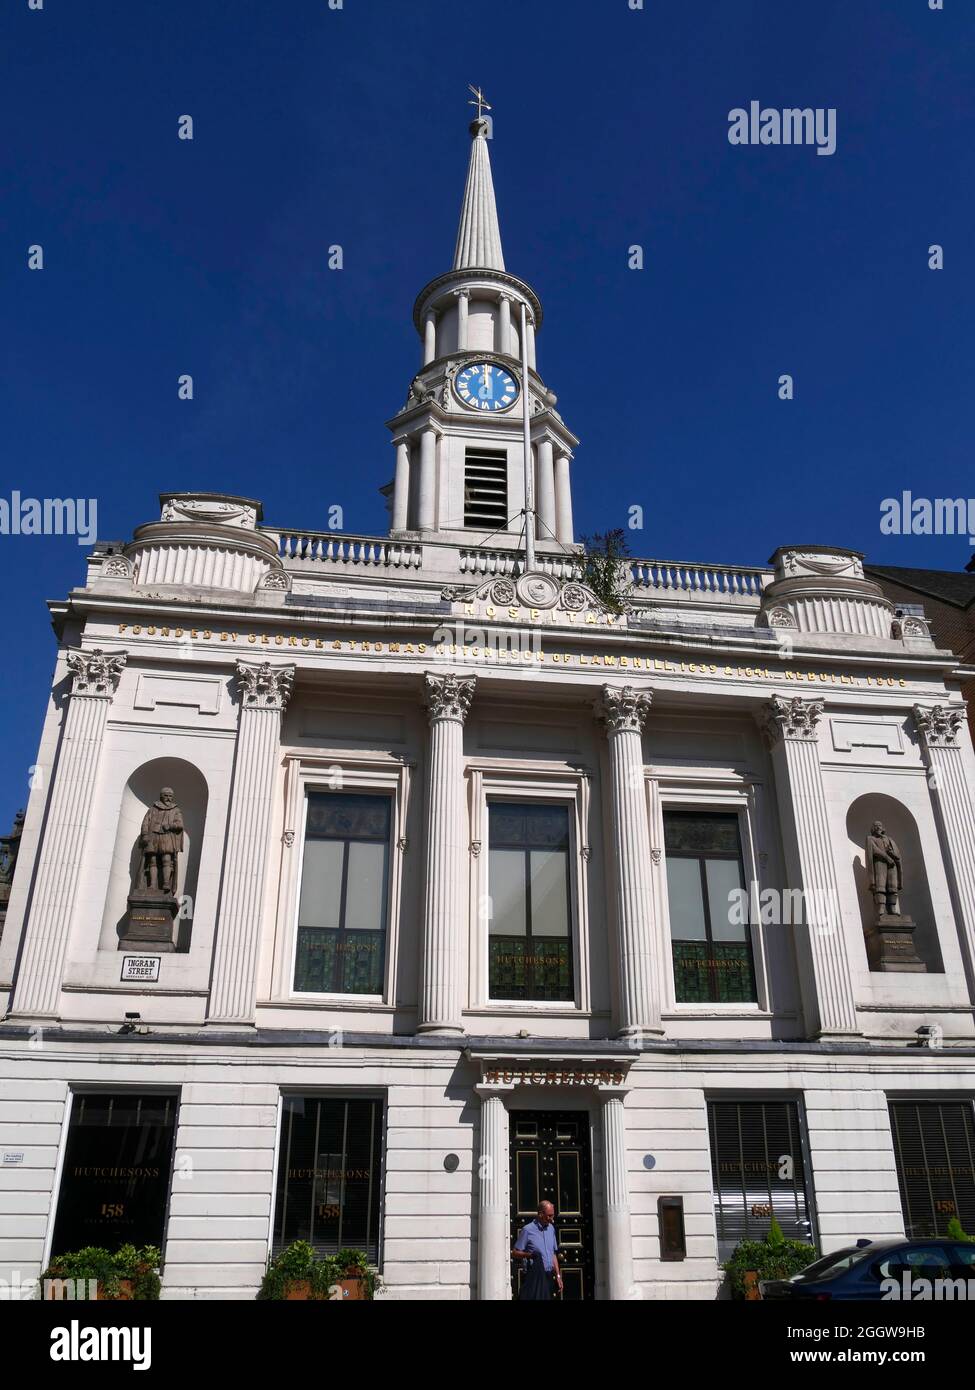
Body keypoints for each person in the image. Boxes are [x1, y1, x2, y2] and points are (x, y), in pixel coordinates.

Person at [512, 1200, 563, 1300]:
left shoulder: (551, 1228)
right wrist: (530, 1255)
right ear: (540, 1214)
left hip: (548, 1277)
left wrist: (558, 1275)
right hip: (534, 1277)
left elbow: (553, 1254)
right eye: (549, 1216)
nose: (552, 1219)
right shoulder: (527, 1230)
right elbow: (514, 1252)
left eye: (553, 1215)